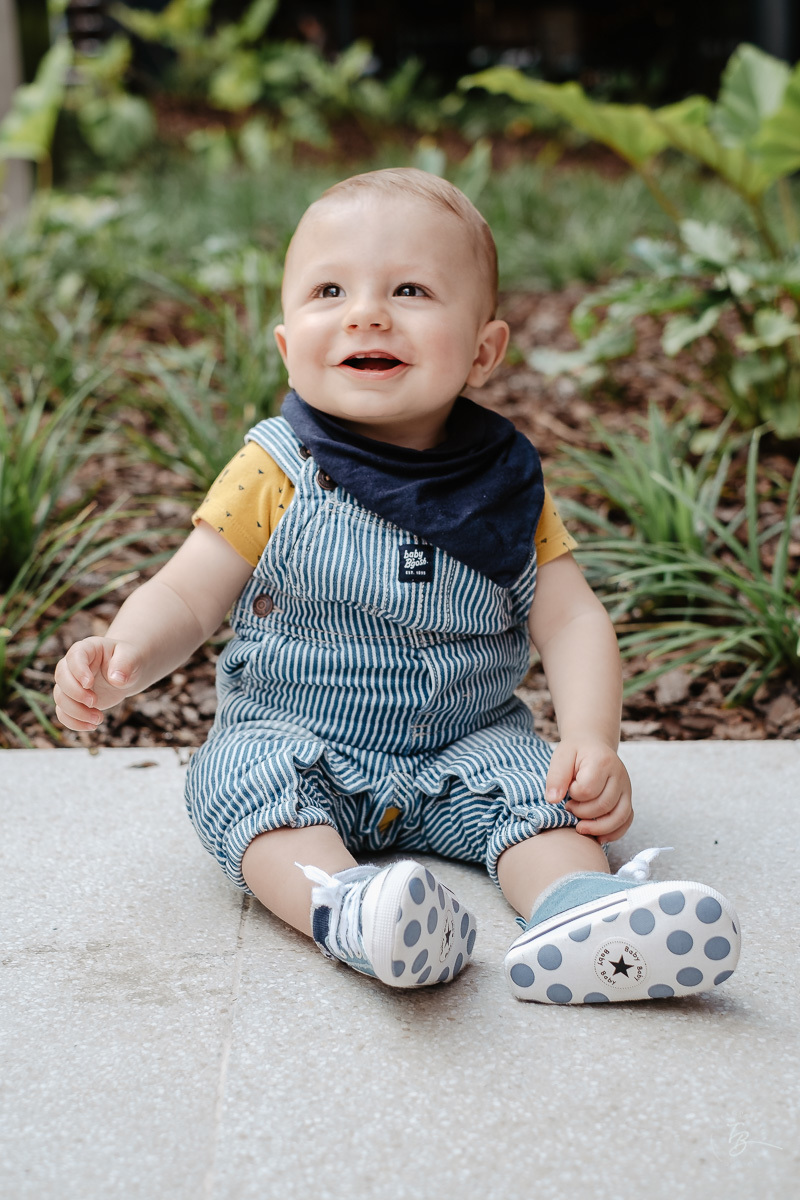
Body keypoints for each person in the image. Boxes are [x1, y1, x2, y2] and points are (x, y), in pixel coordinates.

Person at [53, 168, 740, 1003]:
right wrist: (125, 654)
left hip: (468, 740)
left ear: (484, 350)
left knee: (545, 798)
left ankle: (582, 913)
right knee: (242, 784)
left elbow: (571, 621)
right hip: (299, 733)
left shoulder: (506, 485)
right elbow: (189, 594)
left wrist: (591, 739)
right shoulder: (274, 467)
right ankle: (352, 910)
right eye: (330, 289)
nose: (366, 312)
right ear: (285, 344)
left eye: (410, 289)